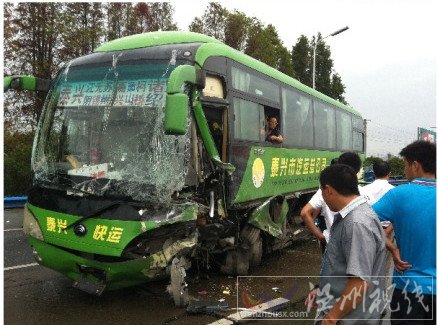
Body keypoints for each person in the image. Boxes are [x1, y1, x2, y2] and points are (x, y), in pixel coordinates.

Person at [306, 164, 386, 324]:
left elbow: (359, 282)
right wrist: (322, 289)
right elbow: (342, 266)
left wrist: (331, 318)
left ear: (328, 190)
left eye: (322, 192)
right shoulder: (356, 215)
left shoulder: (356, 223)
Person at [372, 140, 436, 324]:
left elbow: (362, 220)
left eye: (406, 165)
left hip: (409, 288)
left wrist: (391, 247)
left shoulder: (399, 195)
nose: (405, 169)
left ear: (415, 165)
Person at [300, 152, 363, 252]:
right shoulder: (365, 193)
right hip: (356, 246)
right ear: (358, 169)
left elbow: (304, 212)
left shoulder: (325, 190)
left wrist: (321, 236)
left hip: (331, 244)